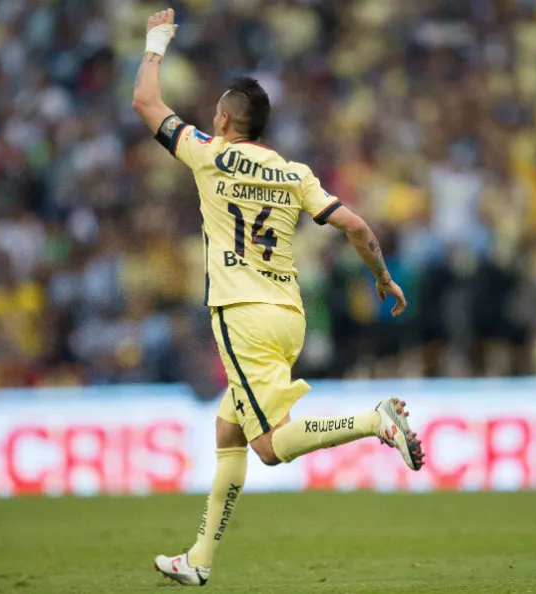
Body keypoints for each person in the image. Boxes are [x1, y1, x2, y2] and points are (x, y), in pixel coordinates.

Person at [132, 9, 425, 586]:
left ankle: (376, 422)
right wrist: (383, 278)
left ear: (222, 119)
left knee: (267, 446)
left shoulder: (206, 151)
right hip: (289, 316)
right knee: (229, 431)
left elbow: (145, 101)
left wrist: (156, 40)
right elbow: (358, 228)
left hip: (241, 317)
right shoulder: (295, 174)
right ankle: (199, 561)